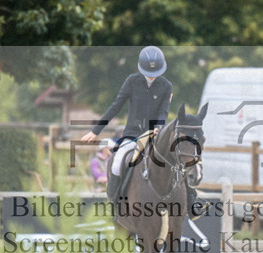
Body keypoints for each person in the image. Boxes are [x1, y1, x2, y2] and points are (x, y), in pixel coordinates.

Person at [80, 46, 205, 216]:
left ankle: (191, 202)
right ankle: (115, 203)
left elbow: (164, 110)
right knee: (117, 163)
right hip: (132, 134)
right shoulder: (131, 81)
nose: (152, 76)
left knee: (177, 161)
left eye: (155, 72)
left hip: (156, 134)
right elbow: (116, 106)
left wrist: (158, 126)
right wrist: (96, 130)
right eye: (149, 72)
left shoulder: (166, 85)